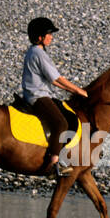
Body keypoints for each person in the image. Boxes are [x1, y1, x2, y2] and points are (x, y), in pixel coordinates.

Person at [21, 18, 87, 177]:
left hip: (41, 93)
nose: (51, 37)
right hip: (38, 96)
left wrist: (70, 90)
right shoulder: (38, 53)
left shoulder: (35, 51)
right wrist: (77, 89)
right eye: (48, 34)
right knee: (60, 123)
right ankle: (54, 163)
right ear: (39, 38)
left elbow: (54, 81)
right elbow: (57, 78)